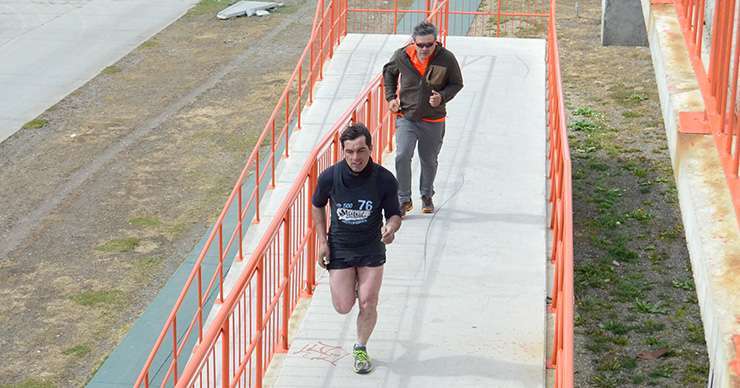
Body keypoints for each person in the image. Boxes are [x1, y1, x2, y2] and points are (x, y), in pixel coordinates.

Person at [311, 123, 402, 374]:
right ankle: (350, 283)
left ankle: (360, 347)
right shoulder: (329, 177)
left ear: (370, 149)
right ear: (342, 151)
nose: (355, 157)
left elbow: (394, 213)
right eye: (349, 151)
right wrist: (322, 241)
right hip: (340, 246)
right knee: (343, 306)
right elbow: (317, 205)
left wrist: (391, 228)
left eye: (361, 151)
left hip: (371, 248)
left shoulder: (384, 179)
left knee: (368, 303)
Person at [382, 21, 464, 215]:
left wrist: (442, 97)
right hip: (406, 116)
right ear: (413, 42)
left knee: (429, 160)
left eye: (430, 44)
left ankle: (426, 194)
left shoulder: (446, 58)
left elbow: (457, 83)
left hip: (433, 120)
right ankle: (403, 199)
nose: (425, 48)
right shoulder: (402, 56)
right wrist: (391, 97)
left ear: (436, 42)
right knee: (402, 156)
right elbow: (388, 72)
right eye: (421, 45)